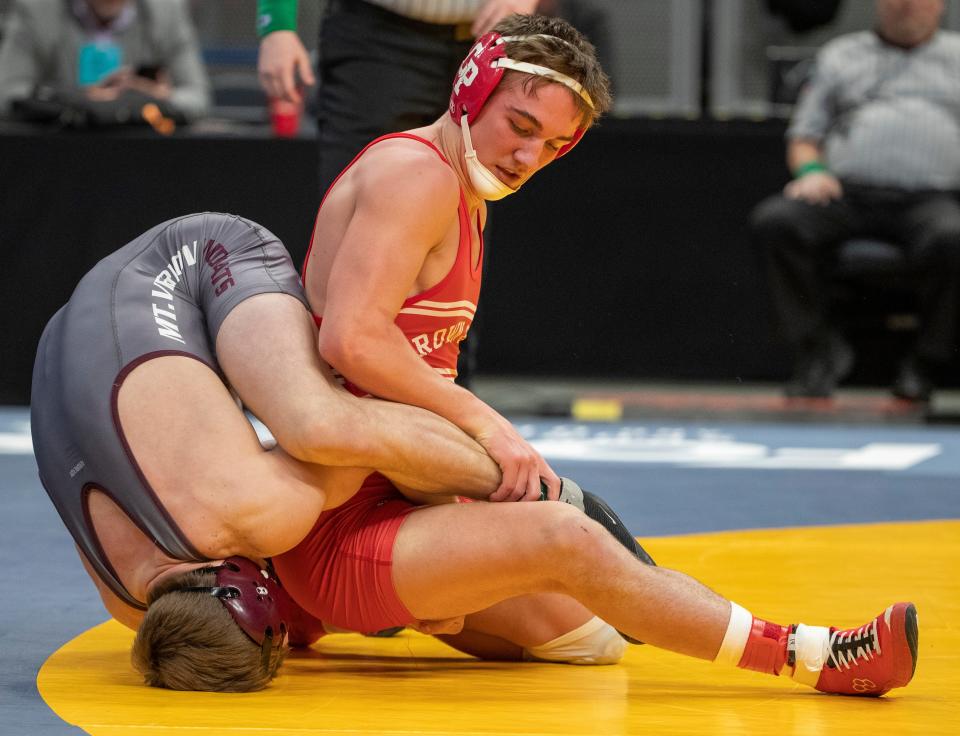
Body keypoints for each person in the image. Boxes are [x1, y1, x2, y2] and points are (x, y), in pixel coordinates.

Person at [267, 14, 916, 702]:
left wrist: (456, 504)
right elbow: (353, 339)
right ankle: (815, 657)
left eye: (552, 146)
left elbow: (412, 382)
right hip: (339, 522)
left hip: (400, 494)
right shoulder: (413, 176)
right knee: (568, 540)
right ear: (470, 90)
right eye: (520, 127)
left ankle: (314, 610)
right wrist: (488, 428)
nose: (527, 158)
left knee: (590, 639)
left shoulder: (466, 189)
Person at [31, 211, 626, 692]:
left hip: (200, 258)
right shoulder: (129, 604)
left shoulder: (253, 512)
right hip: (73, 329)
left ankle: (558, 494)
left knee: (324, 424)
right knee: (316, 537)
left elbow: (369, 447)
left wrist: (493, 489)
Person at [750, 0, 960, 402]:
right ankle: (816, 350)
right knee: (776, 221)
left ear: (940, 5)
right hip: (847, 194)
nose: (906, 7)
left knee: (953, 238)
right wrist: (812, 173)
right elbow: (805, 137)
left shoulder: (956, 57)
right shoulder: (842, 55)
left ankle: (925, 363)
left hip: (932, 199)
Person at [256, 0, 541, 197]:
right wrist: (276, 23)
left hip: (487, 37)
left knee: (467, 201)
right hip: (378, 37)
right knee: (360, 196)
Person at [0, 0, 211, 122]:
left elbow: (196, 97)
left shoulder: (166, 12)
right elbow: (7, 93)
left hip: (140, 156)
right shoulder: (36, 10)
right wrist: (78, 99)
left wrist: (155, 98)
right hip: (57, 157)